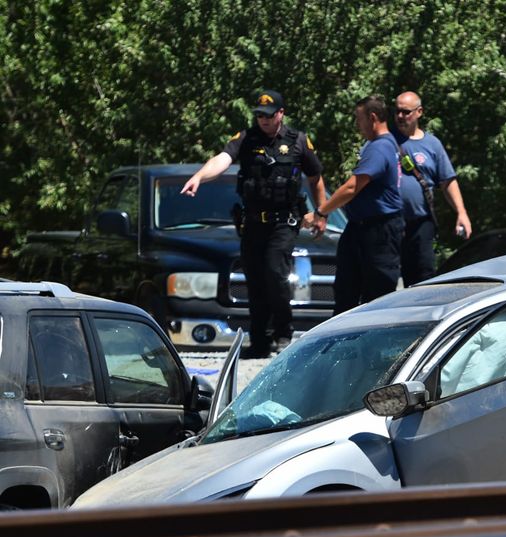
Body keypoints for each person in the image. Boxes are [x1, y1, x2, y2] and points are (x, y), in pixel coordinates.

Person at [181, 90, 328, 359]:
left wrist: (321, 212)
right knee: (256, 281)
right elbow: (222, 159)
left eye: (269, 116)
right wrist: (200, 176)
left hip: (283, 223)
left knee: (275, 272)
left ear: (281, 114)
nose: (264, 120)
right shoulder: (246, 139)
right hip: (252, 224)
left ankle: (283, 332)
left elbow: (316, 176)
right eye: (260, 115)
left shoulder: (298, 142)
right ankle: (259, 341)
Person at [304, 95, 403, 313]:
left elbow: (352, 187)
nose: (358, 126)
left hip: (379, 231)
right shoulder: (379, 145)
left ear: (373, 117)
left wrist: (320, 212)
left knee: (377, 296)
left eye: (359, 119)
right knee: (346, 290)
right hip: (361, 228)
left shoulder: (380, 147)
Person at [393, 91, 472, 285]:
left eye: (406, 112)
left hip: (420, 223)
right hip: (390, 223)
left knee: (423, 276)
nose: (401, 116)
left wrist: (461, 212)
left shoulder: (432, 144)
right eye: (397, 112)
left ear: (419, 112)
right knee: (386, 278)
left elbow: (447, 181)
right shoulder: (386, 141)